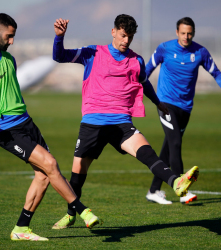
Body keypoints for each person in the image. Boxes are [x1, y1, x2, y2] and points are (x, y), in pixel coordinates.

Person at [0, 13, 101, 241]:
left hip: (26, 122)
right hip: (5, 129)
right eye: (9, 36)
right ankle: (82, 210)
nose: (12, 41)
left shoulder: (9, 60)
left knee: (43, 176)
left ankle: (21, 228)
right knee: (51, 164)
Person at [51, 14, 199, 230]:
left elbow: (144, 82)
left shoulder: (136, 60)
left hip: (121, 122)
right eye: (122, 35)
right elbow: (59, 56)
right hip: (93, 122)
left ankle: (176, 182)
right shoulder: (93, 52)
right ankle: (71, 214)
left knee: (147, 153)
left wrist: (157, 102)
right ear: (113, 32)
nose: (125, 41)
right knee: (78, 173)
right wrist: (59, 37)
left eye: (129, 37)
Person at [145, 17, 221, 205]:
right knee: (175, 143)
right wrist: (136, 90)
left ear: (194, 33)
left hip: (186, 107)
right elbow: (147, 69)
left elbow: (215, 71)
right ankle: (182, 190)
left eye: (190, 33)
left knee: (168, 148)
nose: (186, 36)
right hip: (165, 103)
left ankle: (153, 190)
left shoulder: (200, 52)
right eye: (183, 33)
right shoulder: (164, 49)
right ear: (177, 33)